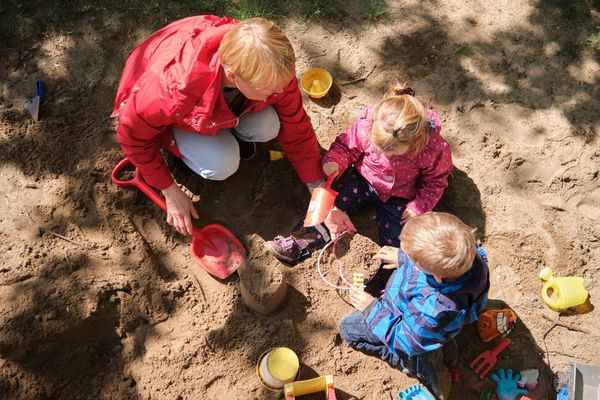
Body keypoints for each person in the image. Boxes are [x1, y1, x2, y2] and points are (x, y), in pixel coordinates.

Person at [111, 16, 323, 235]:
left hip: (215, 105)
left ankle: (225, 128)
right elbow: (132, 137)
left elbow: (296, 126)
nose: (279, 93)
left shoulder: (269, 66)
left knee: (269, 126)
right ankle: (184, 150)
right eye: (269, 90)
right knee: (222, 164)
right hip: (173, 109)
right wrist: (169, 190)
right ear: (232, 76)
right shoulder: (173, 90)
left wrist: (316, 186)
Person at [266, 81, 452, 263]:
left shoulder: (432, 149)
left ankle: (392, 281)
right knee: (331, 210)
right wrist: (335, 161)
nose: (384, 153)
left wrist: (418, 206)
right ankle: (300, 242)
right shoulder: (368, 124)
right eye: (379, 147)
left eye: (392, 152)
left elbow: (436, 181)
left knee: (398, 242)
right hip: (362, 180)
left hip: (401, 196)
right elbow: (347, 146)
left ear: (416, 141)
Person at [340, 212, 490, 399]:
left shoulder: (432, 310)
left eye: (412, 257)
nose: (406, 256)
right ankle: (443, 345)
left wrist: (372, 309)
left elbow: (406, 339)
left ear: (434, 274)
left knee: (348, 328)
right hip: (439, 325)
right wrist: (403, 257)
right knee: (433, 337)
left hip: (411, 333)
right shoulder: (470, 258)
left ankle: (412, 364)